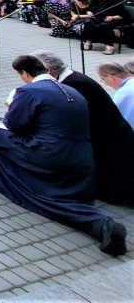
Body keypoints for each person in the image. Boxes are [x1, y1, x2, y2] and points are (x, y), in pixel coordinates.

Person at [0, 54, 127, 256]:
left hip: (52, 157)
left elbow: (14, 125)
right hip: (82, 156)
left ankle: (8, 178)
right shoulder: (73, 89)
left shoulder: (28, 90)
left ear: (24, 73)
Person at [31, 51, 134, 206]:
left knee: (115, 175)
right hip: (106, 133)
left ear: (48, 70)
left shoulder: (72, 83)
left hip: (109, 136)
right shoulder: (72, 78)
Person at [96, 61, 134, 127]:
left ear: (110, 77)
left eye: (103, 79)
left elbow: (111, 118)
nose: (106, 84)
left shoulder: (121, 95)